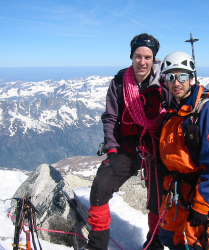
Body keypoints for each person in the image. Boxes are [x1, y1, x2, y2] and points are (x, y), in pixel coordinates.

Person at [85, 33, 170, 250]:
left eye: (148, 57)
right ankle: (97, 246)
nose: (142, 62)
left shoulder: (164, 82)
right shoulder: (119, 83)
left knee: (159, 198)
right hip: (128, 148)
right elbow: (111, 117)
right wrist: (112, 149)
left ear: (154, 59)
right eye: (138, 56)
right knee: (100, 186)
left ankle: (154, 244)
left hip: (156, 147)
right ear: (131, 56)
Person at [157, 51, 209, 250]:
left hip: (198, 191)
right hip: (173, 189)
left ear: (191, 78)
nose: (176, 82)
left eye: (182, 76)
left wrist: (202, 203)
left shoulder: (206, 111)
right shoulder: (172, 111)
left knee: (199, 243)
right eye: (170, 77)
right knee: (168, 236)